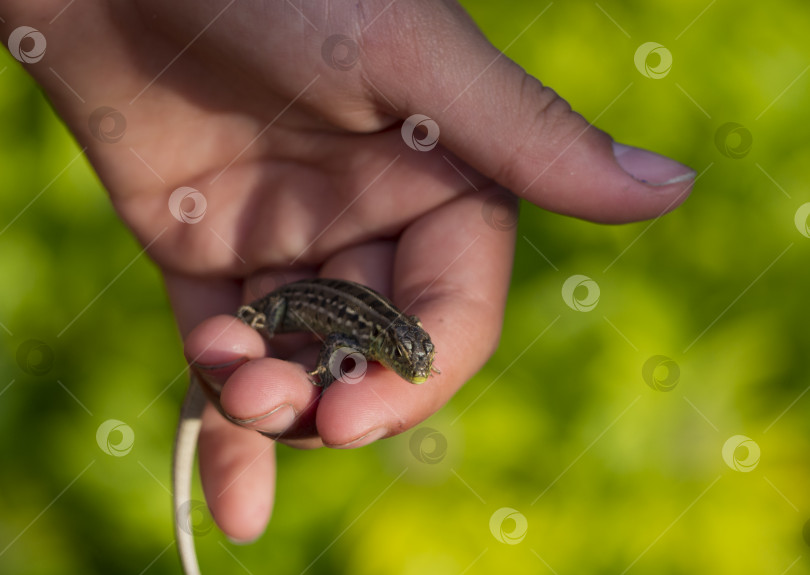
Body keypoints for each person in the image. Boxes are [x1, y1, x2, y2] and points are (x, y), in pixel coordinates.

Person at [2, 0, 694, 543]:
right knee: (260, 368)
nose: (415, 359)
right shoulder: (365, 337)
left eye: (412, 353)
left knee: (249, 390)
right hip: (281, 307)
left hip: (298, 293)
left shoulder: (388, 332)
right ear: (395, 340)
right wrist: (324, 370)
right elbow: (338, 345)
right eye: (410, 351)